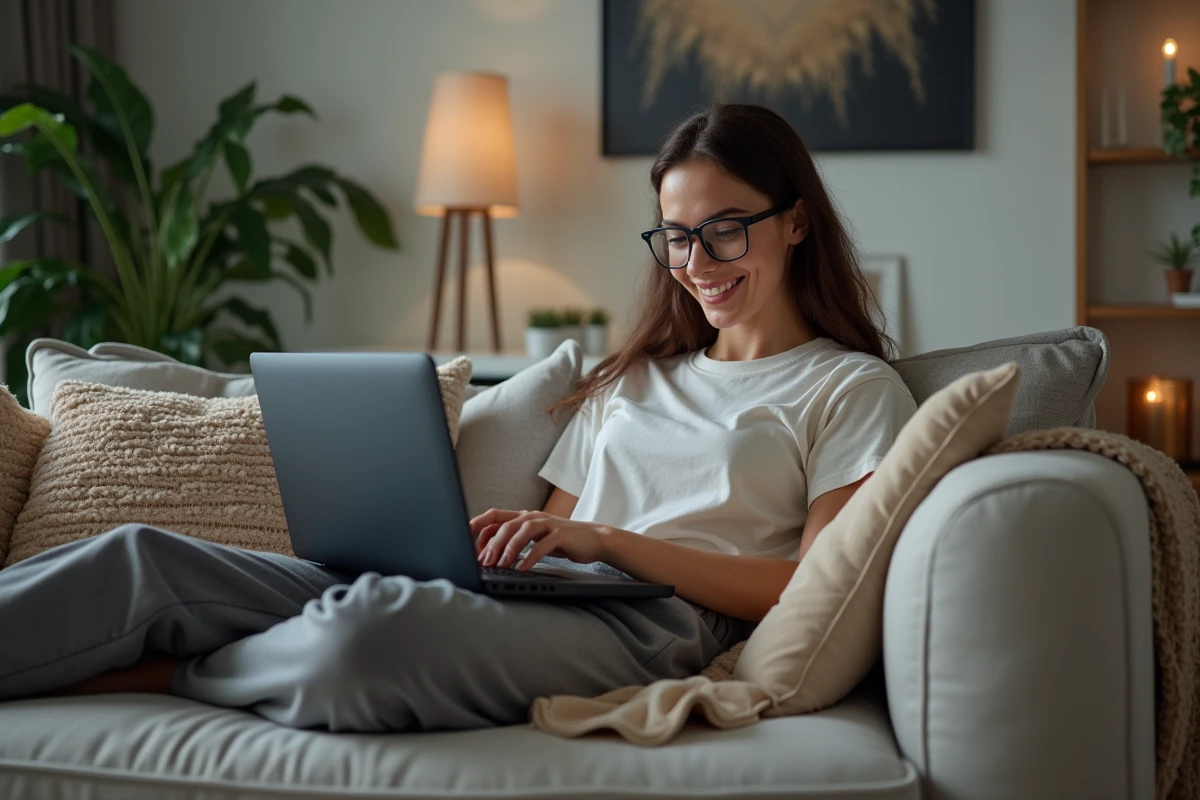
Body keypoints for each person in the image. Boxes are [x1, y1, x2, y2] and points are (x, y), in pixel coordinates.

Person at [0, 103, 915, 733]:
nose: (695, 260)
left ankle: (159, 671)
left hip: (659, 626)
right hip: (548, 599)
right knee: (141, 555)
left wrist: (609, 543)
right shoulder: (632, 377)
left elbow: (808, 585)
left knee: (368, 635)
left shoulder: (847, 390)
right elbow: (552, 533)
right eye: (675, 234)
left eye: (724, 228)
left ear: (795, 223)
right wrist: (512, 549)